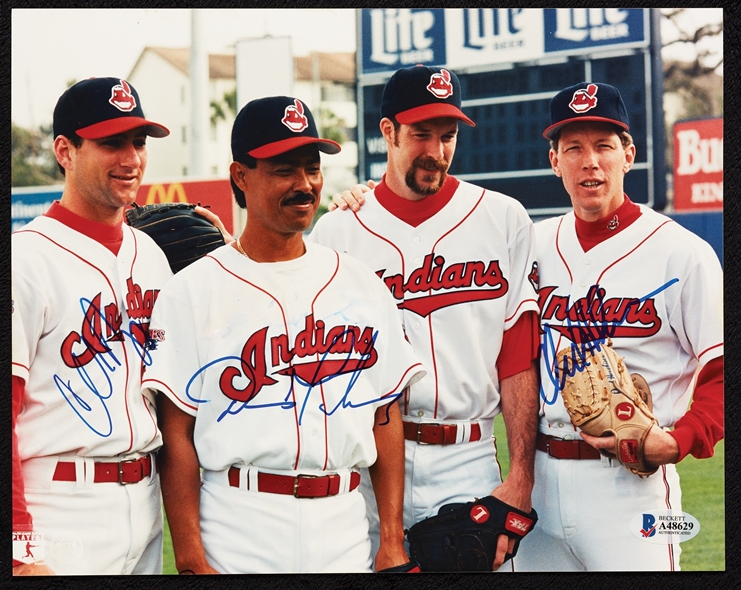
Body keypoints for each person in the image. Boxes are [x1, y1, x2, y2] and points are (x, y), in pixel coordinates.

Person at [140, 96, 425, 574]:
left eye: (312, 169)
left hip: (343, 524)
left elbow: (384, 414)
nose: (305, 184)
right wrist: (191, 559)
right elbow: (177, 435)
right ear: (240, 176)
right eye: (283, 170)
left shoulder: (360, 284)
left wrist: (391, 540)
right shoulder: (192, 290)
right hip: (240, 521)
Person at [310, 65, 540, 571]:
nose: (435, 150)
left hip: (468, 455)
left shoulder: (502, 218)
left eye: (447, 135)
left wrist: (521, 475)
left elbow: (519, 353)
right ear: (387, 131)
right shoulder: (337, 234)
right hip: (368, 463)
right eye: (420, 134)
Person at [511, 82, 724, 571]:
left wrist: (681, 438)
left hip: (631, 485)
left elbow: (721, 368)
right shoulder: (531, 244)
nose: (590, 161)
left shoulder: (683, 253)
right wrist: (368, 199)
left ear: (628, 154)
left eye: (604, 146)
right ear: (554, 160)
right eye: (574, 148)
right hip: (539, 480)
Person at [12, 77, 172, 575]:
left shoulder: (150, 255)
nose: (131, 158)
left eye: (138, 142)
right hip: (59, 508)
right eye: (111, 142)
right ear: (66, 150)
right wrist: (19, 549)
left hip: (146, 503)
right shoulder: (25, 258)